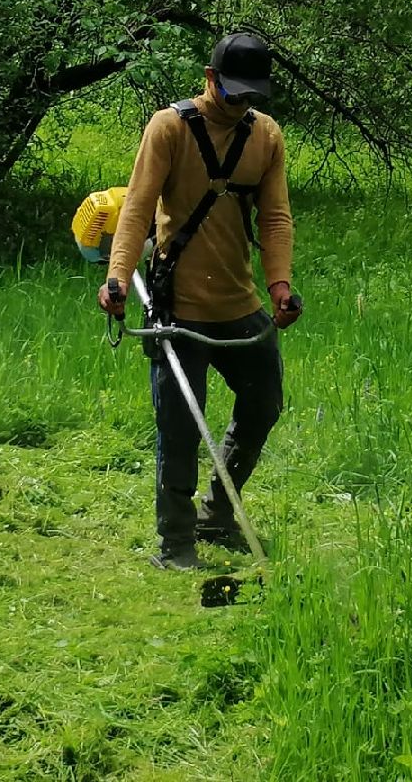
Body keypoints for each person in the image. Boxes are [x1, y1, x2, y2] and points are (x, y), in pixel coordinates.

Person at [100, 31, 301, 570]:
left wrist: (279, 284)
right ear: (210, 79)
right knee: (180, 427)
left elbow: (276, 218)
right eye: (233, 92)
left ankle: (218, 511)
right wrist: (118, 277)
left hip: (238, 304)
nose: (241, 104)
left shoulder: (267, 138)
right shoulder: (169, 128)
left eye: (250, 96)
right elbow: (137, 211)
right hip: (177, 308)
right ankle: (176, 541)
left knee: (264, 404)